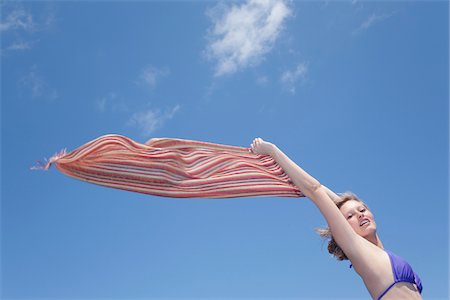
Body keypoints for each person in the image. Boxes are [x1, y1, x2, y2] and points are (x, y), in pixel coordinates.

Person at [250, 138, 423, 300]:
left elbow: (336, 201)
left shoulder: (379, 251)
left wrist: (346, 207)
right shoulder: (359, 250)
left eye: (362, 209)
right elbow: (314, 189)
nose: (360, 214)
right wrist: (271, 150)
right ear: (343, 227)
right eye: (350, 216)